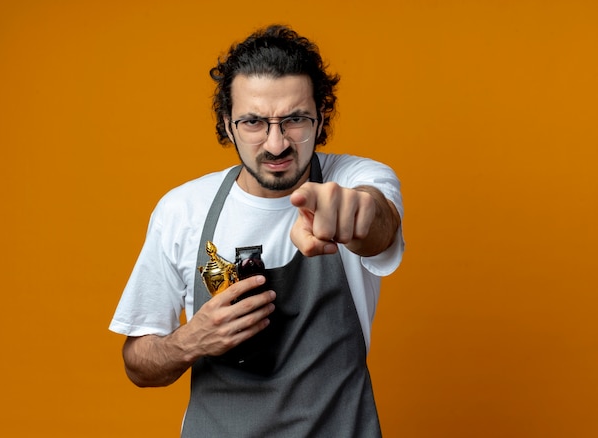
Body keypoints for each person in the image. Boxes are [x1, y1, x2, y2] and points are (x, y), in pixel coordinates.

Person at [110, 24, 404, 437]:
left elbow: (378, 223)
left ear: (321, 119)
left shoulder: (355, 177)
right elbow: (138, 365)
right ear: (227, 124)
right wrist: (191, 341)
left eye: (295, 120)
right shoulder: (182, 210)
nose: (276, 144)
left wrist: (354, 216)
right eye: (253, 122)